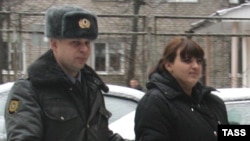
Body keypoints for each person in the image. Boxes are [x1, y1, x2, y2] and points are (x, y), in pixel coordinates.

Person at [4, 5, 125, 141]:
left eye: (87, 43)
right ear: (54, 44)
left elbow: (101, 135)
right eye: (75, 43)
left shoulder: (91, 86)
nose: (84, 49)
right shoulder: (29, 90)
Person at [134, 36, 229, 141]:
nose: (195, 66)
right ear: (169, 65)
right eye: (187, 60)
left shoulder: (213, 102)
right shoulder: (156, 102)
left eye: (199, 61)